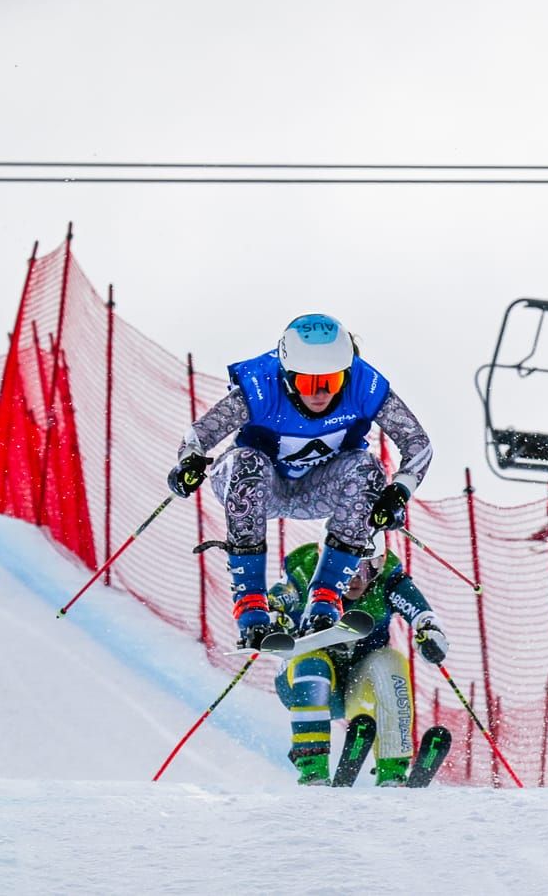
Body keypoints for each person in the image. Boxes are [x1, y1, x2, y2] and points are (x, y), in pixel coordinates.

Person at [165, 314, 431, 650]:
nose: (320, 394)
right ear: (288, 377)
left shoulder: (364, 385)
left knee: (369, 469)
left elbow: (418, 444)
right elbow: (198, 436)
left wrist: (398, 492)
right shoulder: (262, 385)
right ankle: (251, 610)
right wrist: (187, 462)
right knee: (246, 463)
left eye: (331, 382)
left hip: (320, 490)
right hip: (259, 488)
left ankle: (324, 602)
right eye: (308, 384)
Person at [271, 542, 450, 786]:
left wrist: (430, 635)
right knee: (312, 664)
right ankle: (314, 772)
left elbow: (421, 614)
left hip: (356, 687)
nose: (356, 579)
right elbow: (282, 594)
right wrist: (272, 611)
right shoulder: (305, 571)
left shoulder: (387, 580)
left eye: (368, 569)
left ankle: (392, 769)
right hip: (303, 684)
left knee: (390, 660)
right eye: (347, 570)